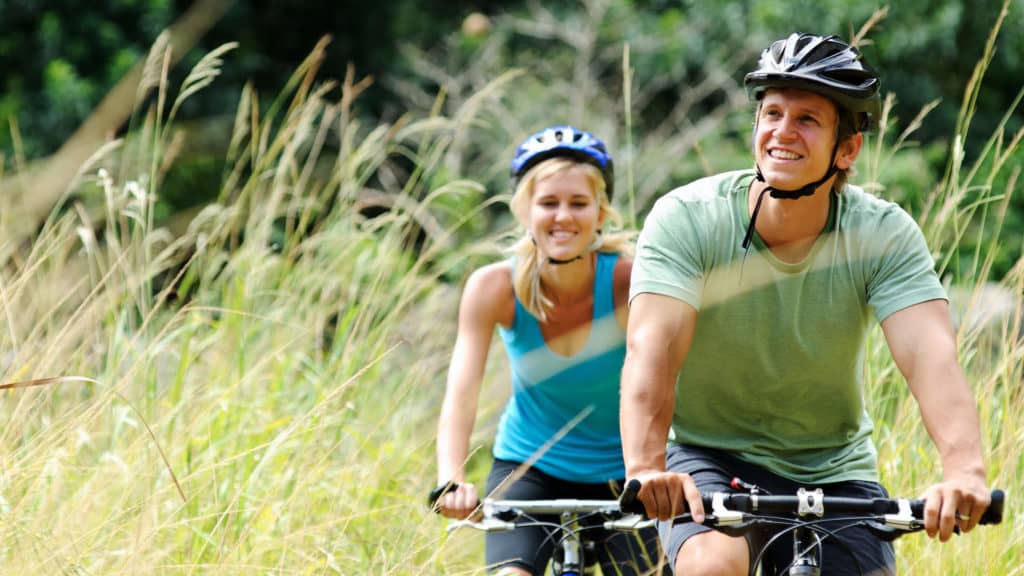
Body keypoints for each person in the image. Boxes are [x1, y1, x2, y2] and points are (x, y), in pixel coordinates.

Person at [620, 33, 991, 575]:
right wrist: (647, 468)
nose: (781, 132)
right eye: (772, 113)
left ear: (847, 149)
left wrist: (965, 472)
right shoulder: (687, 218)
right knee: (711, 565)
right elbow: (651, 349)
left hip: (833, 469)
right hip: (710, 456)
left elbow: (931, 356)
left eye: (807, 120)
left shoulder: (881, 234)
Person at [431, 125, 666, 575]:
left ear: (601, 212)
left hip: (627, 469)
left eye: (579, 203)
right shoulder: (492, 287)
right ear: (525, 210)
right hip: (530, 466)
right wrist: (452, 478)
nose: (563, 216)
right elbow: (460, 395)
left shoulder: (628, 282)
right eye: (548, 203)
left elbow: (671, 377)